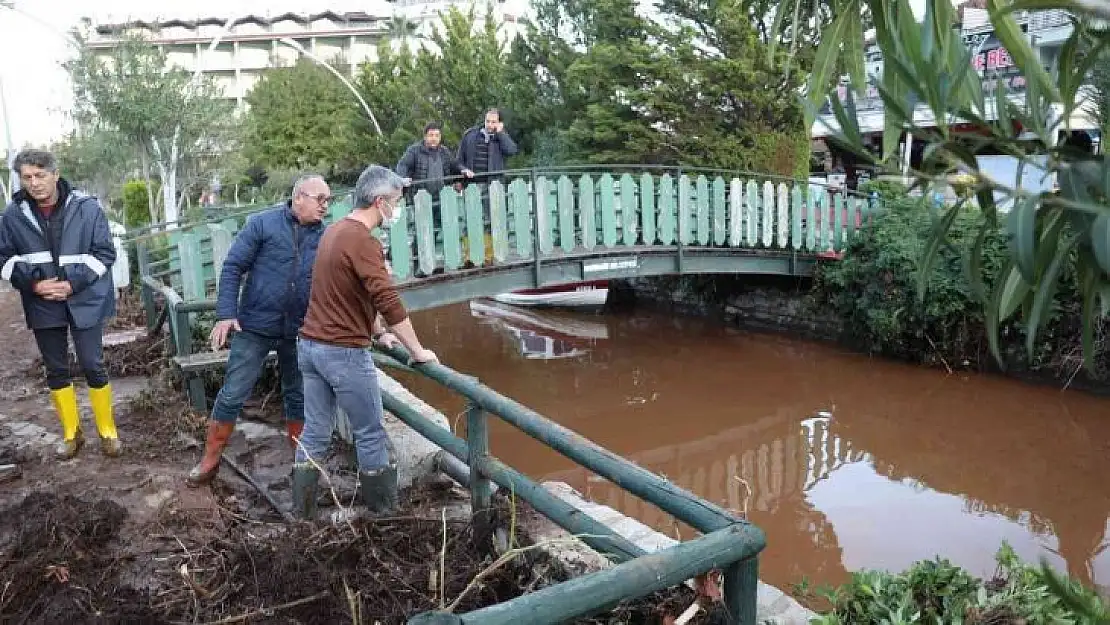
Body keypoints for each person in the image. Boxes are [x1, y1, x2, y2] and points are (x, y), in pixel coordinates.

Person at [291, 165, 438, 519]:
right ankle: (383, 514)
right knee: (370, 433)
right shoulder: (363, 242)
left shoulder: (335, 231)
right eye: (396, 202)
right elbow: (386, 298)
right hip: (342, 352)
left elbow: (350, 292)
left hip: (310, 346)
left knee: (314, 432)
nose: (397, 210)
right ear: (379, 201)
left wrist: (378, 331)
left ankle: (303, 512)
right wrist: (417, 351)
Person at [186, 174, 331, 487]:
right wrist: (226, 313)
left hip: (300, 329)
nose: (325, 206)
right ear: (299, 197)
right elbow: (233, 267)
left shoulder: (325, 236)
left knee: (299, 395)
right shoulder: (262, 224)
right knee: (234, 392)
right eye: (320, 199)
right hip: (254, 326)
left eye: (327, 201)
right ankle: (210, 460)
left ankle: (302, 467)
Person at [0, 149, 119, 459]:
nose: (35, 183)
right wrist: (35, 284)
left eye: (40, 175)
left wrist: (71, 283)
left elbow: (105, 254)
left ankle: (107, 432)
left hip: (85, 298)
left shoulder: (87, 208)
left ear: (55, 174)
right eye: (27, 177)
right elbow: (4, 259)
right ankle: (72, 434)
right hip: (42, 302)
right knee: (55, 368)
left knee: (93, 363)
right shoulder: (12, 216)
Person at [457, 108, 519, 184]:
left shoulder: (502, 137)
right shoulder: (470, 135)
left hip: (494, 184)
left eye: (493, 122)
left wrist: (500, 133)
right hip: (472, 184)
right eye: (488, 121)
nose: (489, 124)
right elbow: (458, 161)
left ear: (499, 123)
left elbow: (511, 151)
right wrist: (464, 170)